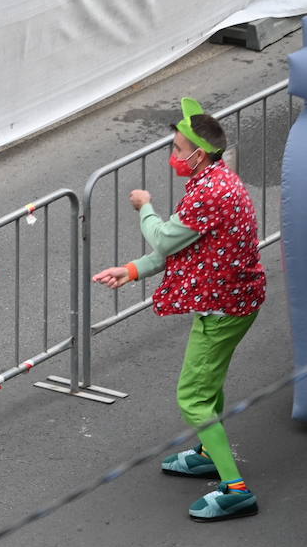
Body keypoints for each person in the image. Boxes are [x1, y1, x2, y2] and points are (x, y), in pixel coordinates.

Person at [93, 98, 266, 521]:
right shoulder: (218, 180)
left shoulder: (209, 192)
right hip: (236, 301)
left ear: (199, 154)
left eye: (176, 149)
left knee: (192, 397)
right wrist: (132, 271)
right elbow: (186, 246)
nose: (173, 157)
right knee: (210, 384)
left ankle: (235, 489)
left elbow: (167, 239)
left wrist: (144, 207)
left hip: (222, 308)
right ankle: (209, 450)